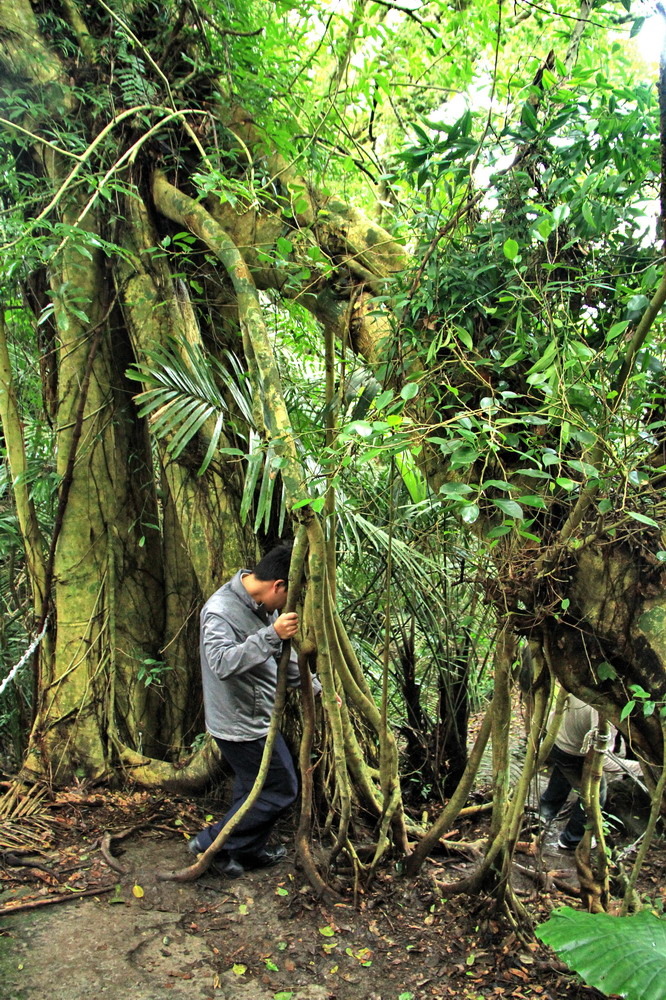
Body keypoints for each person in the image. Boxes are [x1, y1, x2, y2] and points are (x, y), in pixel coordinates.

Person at [188, 543, 320, 877]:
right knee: (282, 788)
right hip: (238, 722)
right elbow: (221, 663)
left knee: (252, 789)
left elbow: (284, 657)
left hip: (259, 715)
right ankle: (208, 841)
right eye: (292, 594)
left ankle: (239, 854)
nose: (292, 604)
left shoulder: (264, 607)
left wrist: (315, 689)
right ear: (279, 585)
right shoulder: (219, 610)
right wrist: (270, 636)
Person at [539, 693, 642, 850]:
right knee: (595, 792)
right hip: (570, 750)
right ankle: (573, 838)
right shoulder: (606, 718)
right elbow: (604, 760)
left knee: (564, 772)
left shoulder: (587, 686)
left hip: (553, 737)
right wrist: (641, 768)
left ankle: (544, 814)